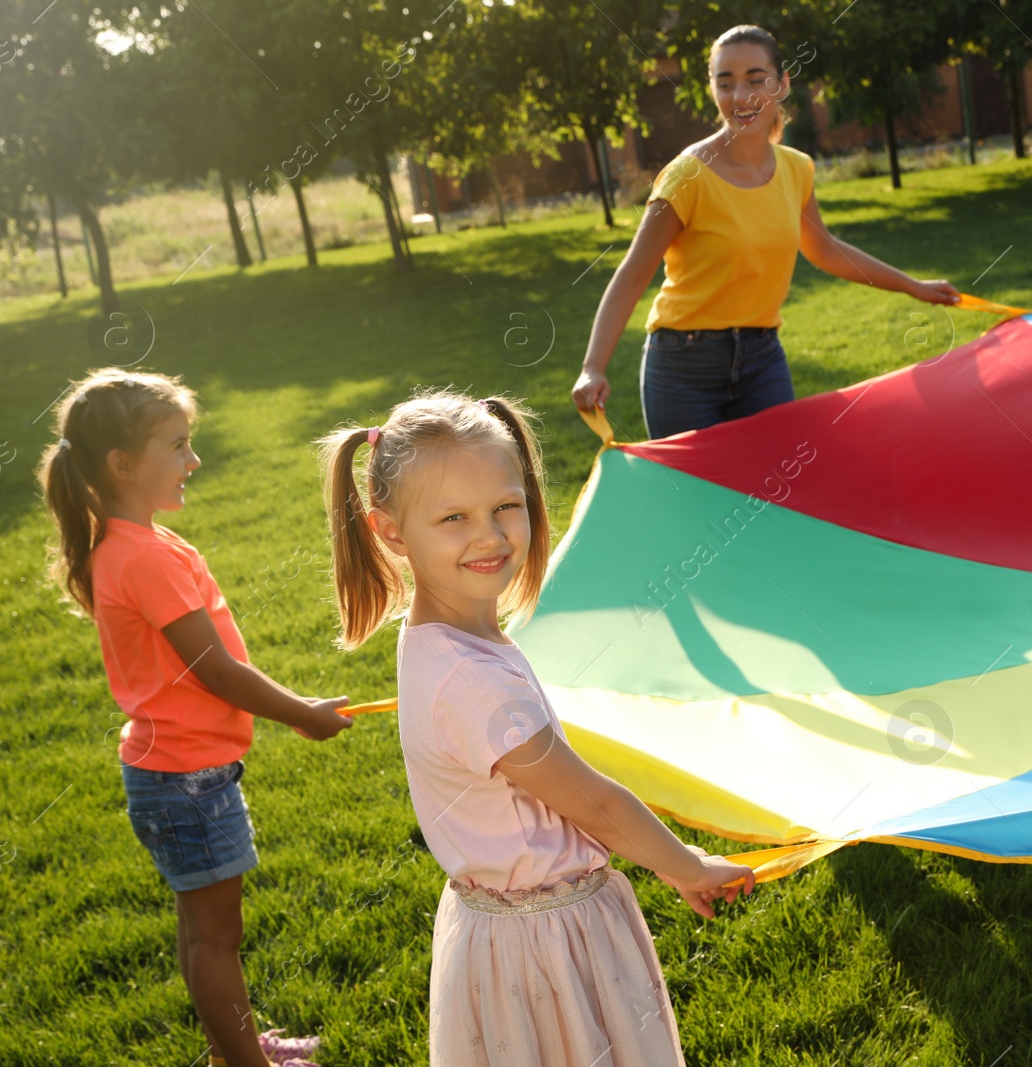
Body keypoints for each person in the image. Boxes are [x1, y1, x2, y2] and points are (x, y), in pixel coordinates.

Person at [320, 389, 756, 1065]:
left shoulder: (447, 638)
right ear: (392, 531)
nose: (490, 536)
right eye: (454, 518)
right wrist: (688, 866)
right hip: (546, 946)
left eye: (506, 506)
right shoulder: (471, 679)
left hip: (513, 931)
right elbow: (597, 804)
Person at [37, 368, 354, 1067]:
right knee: (216, 936)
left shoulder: (130, 545)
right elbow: (213, 670)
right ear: (123, 464)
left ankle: (231, 1046)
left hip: (170, 771)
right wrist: (302, 712)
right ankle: (243, 1062)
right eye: (178, 446)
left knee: (199, 927)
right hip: (187, 779)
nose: (194, 460)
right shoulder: (143, 556)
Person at [572, 23, 961, 439]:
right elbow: (633, 273)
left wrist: (912, 286)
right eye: (726, 83)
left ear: (782, 83)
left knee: (780, 489)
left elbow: (825, 249)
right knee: (700, 499)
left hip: (762, 358)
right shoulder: (687, 176)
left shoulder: (796, 169)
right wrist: (592, 367)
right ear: (711, 89)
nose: (741, 97)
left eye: (756, 80)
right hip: (683, 364)